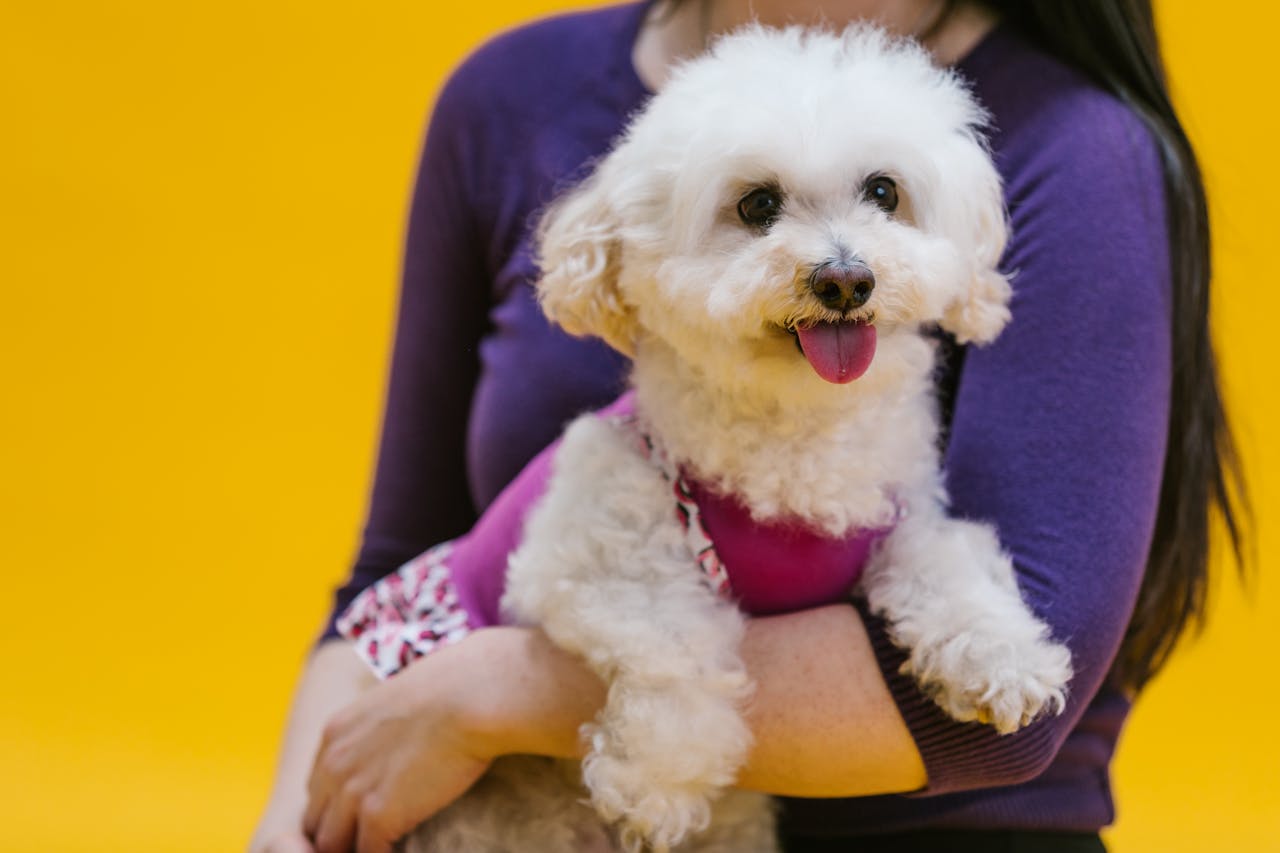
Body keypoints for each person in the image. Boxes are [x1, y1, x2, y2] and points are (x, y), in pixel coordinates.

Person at [250, 1, 1249, 851]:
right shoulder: (509, 96)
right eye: (759, 206)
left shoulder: (1070, 142)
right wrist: (299, 827)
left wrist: (493, 694)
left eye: (879, 200)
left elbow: (1003, 720)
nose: (840, 266)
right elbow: (395, 567)